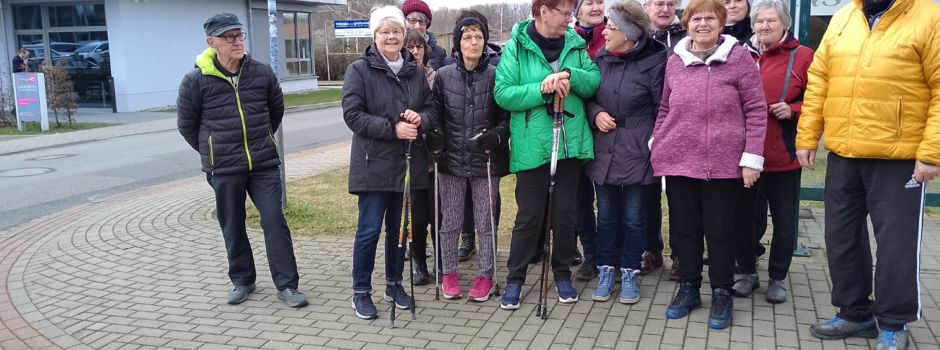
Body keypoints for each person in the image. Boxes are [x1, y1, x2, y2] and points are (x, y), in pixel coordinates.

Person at [797, 0, 940, 345]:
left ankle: (893, 324)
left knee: (896, 245)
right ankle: (853, 313)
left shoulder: (929, 15)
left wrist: (932, 153)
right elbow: (820, 79)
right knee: (841, 237)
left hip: (899, 156)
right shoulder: (845, 17)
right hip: (845, 152)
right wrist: (808, 134)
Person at [176, 12, 307, 308]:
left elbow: (276, 111)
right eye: (228, 37)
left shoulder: (261, 73)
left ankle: (287, 285)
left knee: (274, 220)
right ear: (212, 42)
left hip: (263, 164)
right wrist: (212, 149)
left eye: (239, 35)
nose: (236, 41)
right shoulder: (195, 81)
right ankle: (243, 279)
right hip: (223, 167)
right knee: (232, 225)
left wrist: (260, 140)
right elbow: (187, 125)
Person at [650, 0, 767, 329]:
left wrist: (751, 158)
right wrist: (657, 140)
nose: (702, 24)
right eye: (696, 18)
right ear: (686, 24)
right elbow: (664, 108)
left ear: (721, 23)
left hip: (724, 164)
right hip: (678, 160)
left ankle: (721, 291)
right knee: (684, 231)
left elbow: (757, 111)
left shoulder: (740, 59)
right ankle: (688, 288)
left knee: (720, 232)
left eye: (709, 18)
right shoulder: (675, 61)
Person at [495, 0, 600, 310]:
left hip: (569, 143)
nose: (570, 18)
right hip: (532, 143)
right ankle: (516, 278)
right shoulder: (516, 46)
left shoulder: (576, 44)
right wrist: (542, 88)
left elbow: (593, 81)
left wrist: (569, 75)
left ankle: (562, 273)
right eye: (565, 12)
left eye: (570, 12)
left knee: (565, 215)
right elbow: (503, 93)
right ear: (544, 12)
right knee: (529, 216)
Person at [342, 6, 436, 320]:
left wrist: (418, 118)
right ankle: (361, 292)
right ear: (375, 36)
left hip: (407, 165)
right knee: (369, 230)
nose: (391, 36)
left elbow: (432, 110)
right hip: (373, 164)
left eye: (396, 31)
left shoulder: (415, 70)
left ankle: (394, 284)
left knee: (400, 231)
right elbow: (352, 115)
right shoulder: (359, 69)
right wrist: (393, 128)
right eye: (384, 31)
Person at [730, 0, 813, 303]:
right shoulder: (739, 54)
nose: (764, 27)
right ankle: (747, 272)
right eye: (760, 21)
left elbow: (818, 101)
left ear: (785, 25)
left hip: (783, 155)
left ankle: (777, 277)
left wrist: (793, 109)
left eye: (771, 22)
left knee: (785, 220)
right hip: (744, 154)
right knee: (744, 218)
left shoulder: (803, 57)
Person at [586, 0, 668, 304]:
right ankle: (606, 270)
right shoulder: (600, 58)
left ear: (629, 32)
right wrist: (595, 113)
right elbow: (588, 96)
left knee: (634, 217)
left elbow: (664, 106)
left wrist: (654, 141)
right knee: (606, 215)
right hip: (605, 148)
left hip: (638, 148)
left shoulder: (656, 61)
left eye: (612, 26)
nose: (605, 31)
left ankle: (630, 271)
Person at [431, 16, 510, 302]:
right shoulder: (443, 75)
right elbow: (434, 115)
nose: (473, 42)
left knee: (485, 222)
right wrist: (435, 139)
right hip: (451, 161)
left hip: (484, 160)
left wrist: (496, 137)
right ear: (458, 43)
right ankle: (449, 273)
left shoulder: (497, 74)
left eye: (478, 37)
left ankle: (486, 274)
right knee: (450, 221)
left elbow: (505, 118)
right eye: (467, 37)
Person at [641, 0, 688, 281]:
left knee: (680, 196)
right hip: (644, 128)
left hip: (679, 128)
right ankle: (652, 250)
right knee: (648, 195)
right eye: (659, 3)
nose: (665, 8)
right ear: (647, 6)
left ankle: (681, 254)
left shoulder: (686, 37)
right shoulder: (638, 39)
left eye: (671, 3)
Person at [569, 0, 605, 283]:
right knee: (581, 199)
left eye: (600, 1)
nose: (595, 6)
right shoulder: (569, 41)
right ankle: (591, 255)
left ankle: (608, 257)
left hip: (607, 131)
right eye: (589, 2)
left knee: (606, 201)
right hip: (577, 131)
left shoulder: (615, 34)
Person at [403, 29, 436, 285]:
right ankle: (419, 263)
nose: (415, 52)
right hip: (412, 157)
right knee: (418, 215)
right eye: (410, 47)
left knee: (440, 214)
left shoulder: (437, 77)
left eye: (419, 47)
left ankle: (444, 262)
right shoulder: (400, 77)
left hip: (435, 156)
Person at [402, 0, 447, 70]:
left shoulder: (439, 53)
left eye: (421, 21)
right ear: (404, 22)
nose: (417, 26)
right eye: (412, 20)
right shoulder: (395, 49)